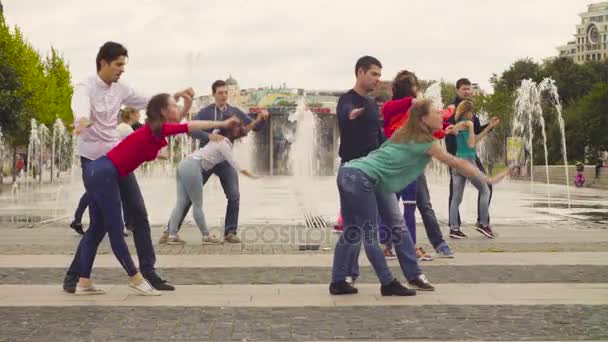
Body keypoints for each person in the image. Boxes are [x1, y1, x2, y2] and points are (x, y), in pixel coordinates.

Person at [330, 99, 510, 296]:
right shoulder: (425, 143)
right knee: (369, 234)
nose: (440, 115)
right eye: (436, 113)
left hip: (348, 171)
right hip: (362, 177)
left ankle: (338, 281)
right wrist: (488, 179)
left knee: (352, 230)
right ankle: (388, 283)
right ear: (424, 119)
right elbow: (458, 163)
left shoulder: (404, 133)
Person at [70, 92, 239, 295]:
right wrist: (223, 122)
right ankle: (135, 278)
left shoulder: (155, 129)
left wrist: (186, 105)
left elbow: (176, 124)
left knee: (97, 228)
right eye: (173, 106)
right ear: (163, 111)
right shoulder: (154, 130)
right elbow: (189, 126)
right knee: (115, 230)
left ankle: (83, 282)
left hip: (100, 171)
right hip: (104, 174)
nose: (178, 110)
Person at [63, 41, 192, 293]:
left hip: (118, 160)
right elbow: (79, 105)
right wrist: (81, 120)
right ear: (103, 63)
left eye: (124, 64)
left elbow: (149, 100)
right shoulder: (85, 86)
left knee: (139, 215)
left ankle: (149, 271)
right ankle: (75, 277)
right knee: (101, 223)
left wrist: (173, 96)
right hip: (94, 164)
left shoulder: (121, 88)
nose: (122, 69)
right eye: (118, 65)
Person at [161, 80, 270, 244]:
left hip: (224, 160)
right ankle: (170, 231)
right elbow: (191, 130)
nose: (224, 96)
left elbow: (254, 128)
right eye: (220, 93)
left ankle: (230, 232)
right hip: (205, 159)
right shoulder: (205, 112)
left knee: (234, 195)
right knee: (189, 198)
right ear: (214, 94)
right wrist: (208, 136)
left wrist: (262, 119)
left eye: (226, 92)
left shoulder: (235, 112)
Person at [380, 70, 455, 259]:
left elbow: (428, 130)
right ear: (408, 88)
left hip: (412, 164)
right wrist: (414, 103)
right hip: (396, 165)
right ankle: (391, 245)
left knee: (421, 204)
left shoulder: (416, 113)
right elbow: (387, 111)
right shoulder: (393, 107)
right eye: (414, 85)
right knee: (393, 205)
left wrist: (445, 131)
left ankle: (435, 243)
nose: (417, 89)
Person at [166, 121, 260, 245]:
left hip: (184, 164)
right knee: (197, 204)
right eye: (236, 128)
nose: (238, 131)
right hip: (194, 166)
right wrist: (250, 174)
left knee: (181, 202)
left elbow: (242, 130)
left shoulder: (216, 135)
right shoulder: (223, 143)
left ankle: (172, 235)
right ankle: (206, 236)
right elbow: (233, 163)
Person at [333, 56, 386, 235]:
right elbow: (348, 112)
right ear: (360, 72)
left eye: (379, 75)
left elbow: (379, 136)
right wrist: (357, 112)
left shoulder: (371, 103)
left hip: (374, 170)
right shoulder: (346, 100)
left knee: (388, 220)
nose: (377, 79)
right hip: (353, 172)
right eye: (373, 74)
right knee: (357, 230)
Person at [446, 78, 499, 234]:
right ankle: (481, 223)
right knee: (483, 189)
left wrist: (489, 126)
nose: (468, 91)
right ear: (457, 90)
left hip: (462, 156)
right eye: (464, 89)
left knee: (457, 194)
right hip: (463, 157)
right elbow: (471, 140)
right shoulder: (451, 110)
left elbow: (472, 135)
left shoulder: (467, 114)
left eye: (469, 89)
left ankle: (455, 228)